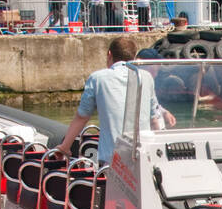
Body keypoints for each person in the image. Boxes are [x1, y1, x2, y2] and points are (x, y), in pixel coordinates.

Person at [59, 36, 176, 166]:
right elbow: (154, 119)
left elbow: (82, 117)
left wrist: (65, 147)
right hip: (143, 156)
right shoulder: (146, 77)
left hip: (112, 159)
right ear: (133, 56)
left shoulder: (98, 78)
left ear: (109, 54)